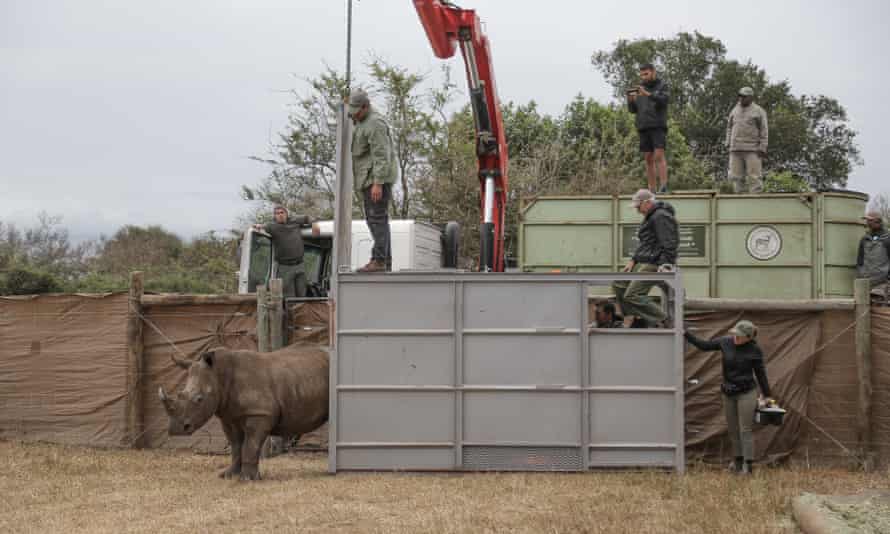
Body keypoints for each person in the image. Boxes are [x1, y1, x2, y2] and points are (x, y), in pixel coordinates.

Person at [684, 320, 776, 475]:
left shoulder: (754, 350)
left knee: (745, 429)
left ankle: (748, 465)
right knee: (733, 429)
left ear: (748, 337)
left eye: (738, 336)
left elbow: (761, 374)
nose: (735, 337)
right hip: (728, 392)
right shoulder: (725, 342)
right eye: (734, 334)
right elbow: (703, 346)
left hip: (747, 393)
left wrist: (767, 395)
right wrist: (685, 334)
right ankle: (737, 461)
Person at [612, 189, 678, 328]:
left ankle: (663, 319)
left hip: (655, 262)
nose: (637, 210)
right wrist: (633, 260)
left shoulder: (661, 216)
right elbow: (645, 243)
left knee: (632, 294)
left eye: (638, 206)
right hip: (644, 260)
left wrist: (665, 264)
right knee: (618, 284)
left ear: (647, 202)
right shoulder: (651, 216)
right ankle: (634, 317)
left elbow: (670, 242)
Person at [349, 88, 397, 273]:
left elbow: (381, 156)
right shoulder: (362, 120)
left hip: (375, 180)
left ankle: (379, 260)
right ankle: (384, 260)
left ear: (365, 106)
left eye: (356, 111)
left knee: (377, 219)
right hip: (367, 178)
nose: (354, 115)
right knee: (376, 220)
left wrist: (378, 183)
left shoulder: (374, 123)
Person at [627, 63, 670, 193]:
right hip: (643, 126)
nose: (644, 77)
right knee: (648, 158)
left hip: (657, 125)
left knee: (658, 156)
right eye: (642, 75)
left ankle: (663, 186)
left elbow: (664, 101)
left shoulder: (662, 85)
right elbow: (632, 110)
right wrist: (631, 100)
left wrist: (647, 94)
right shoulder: (639, 88)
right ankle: (651, 189)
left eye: (646, 74)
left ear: (653, 72)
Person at [253, 205, 312, 299]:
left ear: (286, 214)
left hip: (299, 264)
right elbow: (262, 226)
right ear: (274, 216)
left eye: (282, 212)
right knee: (288, 296)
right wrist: (258, 226)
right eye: (277, 213)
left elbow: (307, 218)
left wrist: (315, 224)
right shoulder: (272, 226)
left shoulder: (295, 221)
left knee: (302, 293)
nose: (280, 215)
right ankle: (290, 313)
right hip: (285, 267)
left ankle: (302, 312)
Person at [726, 87, 769, 193]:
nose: (741, 98)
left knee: (754, 177)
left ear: (750, 97)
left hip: (752, 149)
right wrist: (728, 142)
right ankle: (736, 202)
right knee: (735, 178)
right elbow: (729, 127)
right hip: (735, 149)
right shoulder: (734, 109)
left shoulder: (759, 111)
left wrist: (762, 147)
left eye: (744, 96)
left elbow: (764, 130)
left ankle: (755, 202)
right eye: (740, 96)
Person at [856, 211, 890, 300]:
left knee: (879, 309)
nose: (867, 223)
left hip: (882, 284)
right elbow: (860, 260)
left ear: (878, 221)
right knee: (862, 309)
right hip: (865, 282)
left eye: (870, 221)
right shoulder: (864, 239)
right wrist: (861, 274)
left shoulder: (887, 238)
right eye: (867, 220)